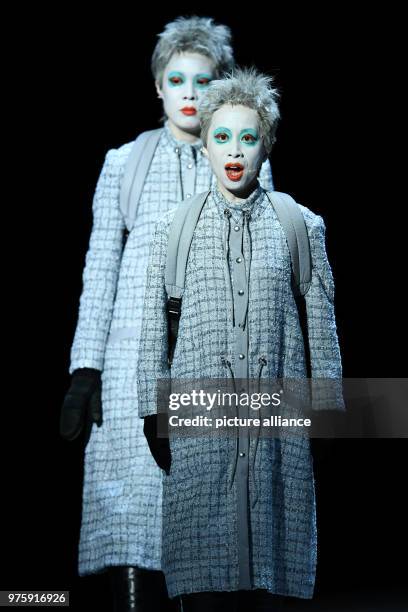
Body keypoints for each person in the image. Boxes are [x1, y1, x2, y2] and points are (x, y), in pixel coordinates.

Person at [60, 17, 275, 612]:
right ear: (157, 86)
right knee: (129, 515)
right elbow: (99, 269)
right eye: (175, 79)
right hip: (132, 369)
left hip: (210, 363)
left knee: (209, 527)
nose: (188, 92)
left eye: (202, 81)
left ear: (221, 87)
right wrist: (87, 369)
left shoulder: (236, 154)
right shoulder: (123, 163)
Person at [137, 68, 344, 611]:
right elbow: (154, 330)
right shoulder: (173, 229)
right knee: (206, 583)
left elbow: (320, 323)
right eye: (222, 137)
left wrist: (328, 410)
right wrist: (151, 411)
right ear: (203, 144)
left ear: (265, 147)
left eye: (248, 138)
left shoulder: (300, 225)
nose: (234, 151)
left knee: (273, 579)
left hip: (279, 432)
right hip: (200, 434)